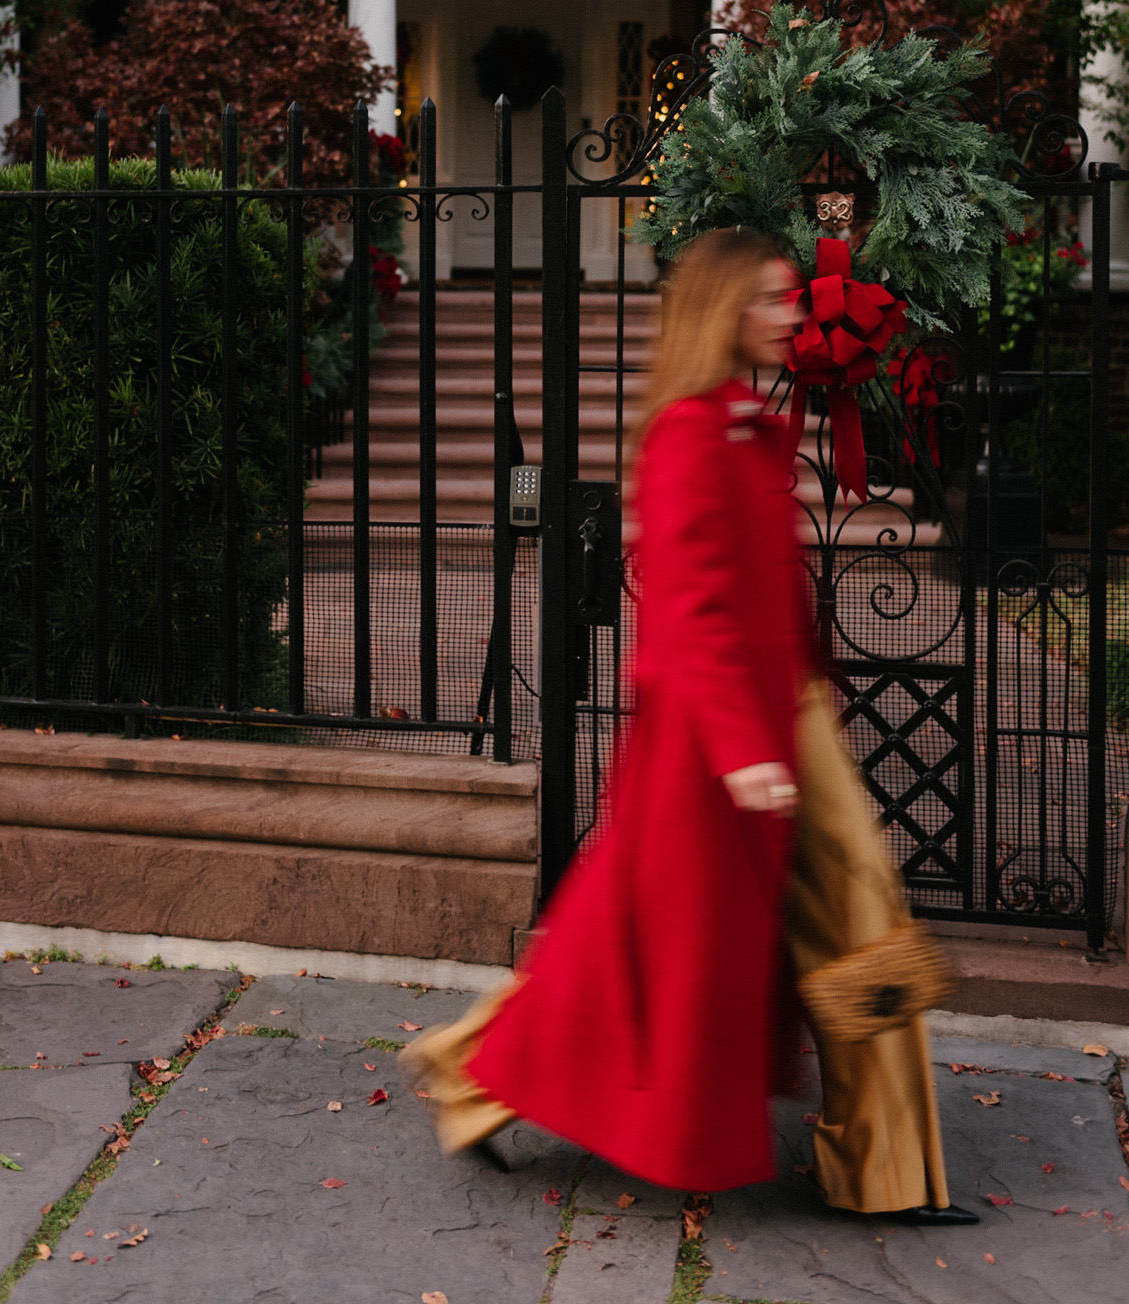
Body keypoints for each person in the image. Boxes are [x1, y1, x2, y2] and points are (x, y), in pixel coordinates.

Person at [405, 227, 974, 1224]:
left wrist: (803, 707)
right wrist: (747, 750)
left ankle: (883, 1167)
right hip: (722, 738)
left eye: (792, 297)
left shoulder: (747, 426)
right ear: (721, 311)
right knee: (657, 938)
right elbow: (685, 609)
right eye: (767, 299)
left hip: (779, 718)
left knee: (790, 927)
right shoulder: (687, 435)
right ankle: (475, 1073)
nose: (789, 314)